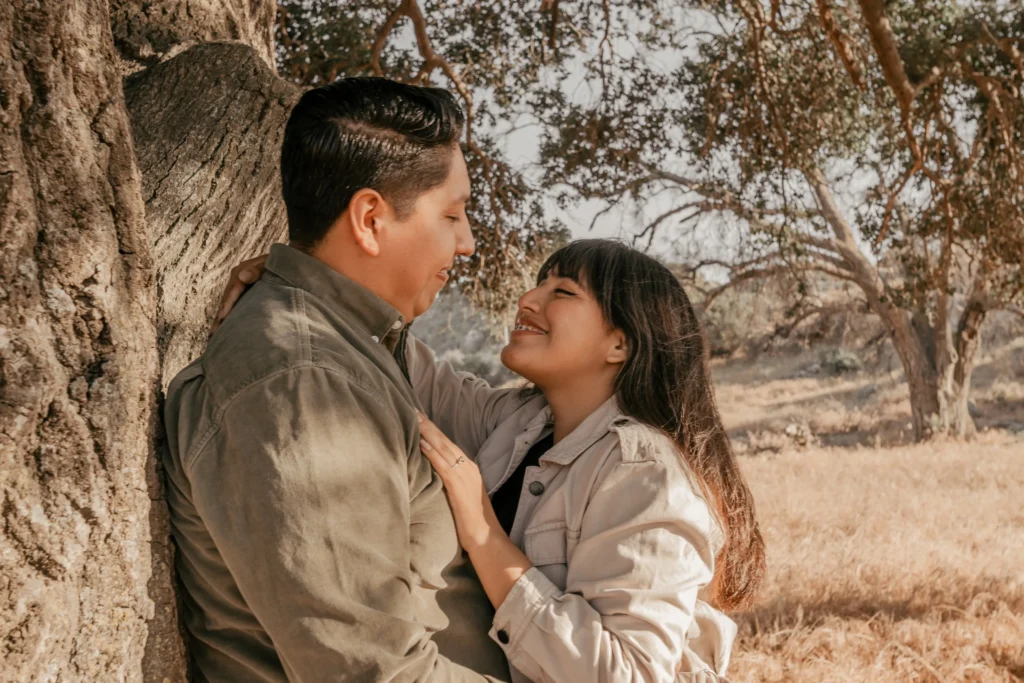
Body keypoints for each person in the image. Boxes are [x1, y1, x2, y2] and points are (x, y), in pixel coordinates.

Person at [216, 239, 766, 682]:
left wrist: (484, 534)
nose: (529, 298)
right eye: (539, 283)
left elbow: (631, 673)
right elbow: (409, 366)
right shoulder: (521, 421)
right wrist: (308, 282)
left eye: (563, 291)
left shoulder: (644, 474)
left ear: (619, 345)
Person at [161, 76, 512, 682]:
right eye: (452, 215)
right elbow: (370, 672)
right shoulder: (301, 383)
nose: (467, 243)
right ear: (370, 219)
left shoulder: (351, 347)